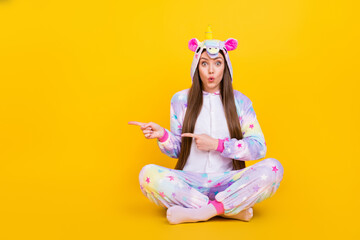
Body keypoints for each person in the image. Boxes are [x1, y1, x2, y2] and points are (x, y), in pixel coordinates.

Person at [128, 26, 284, 225]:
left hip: (229, 181)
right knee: (146, 174)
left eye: (217, 63)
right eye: (204, 64)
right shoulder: (180, 99)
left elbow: (258, 147)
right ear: (196, 67)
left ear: (225, 67)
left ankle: (202, 212)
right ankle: (227, 209)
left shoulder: (241, 102)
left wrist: (218, 145)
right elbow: (178, 150)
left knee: (273, 168)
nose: (211, 70)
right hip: (190, 183)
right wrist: (163, 135)